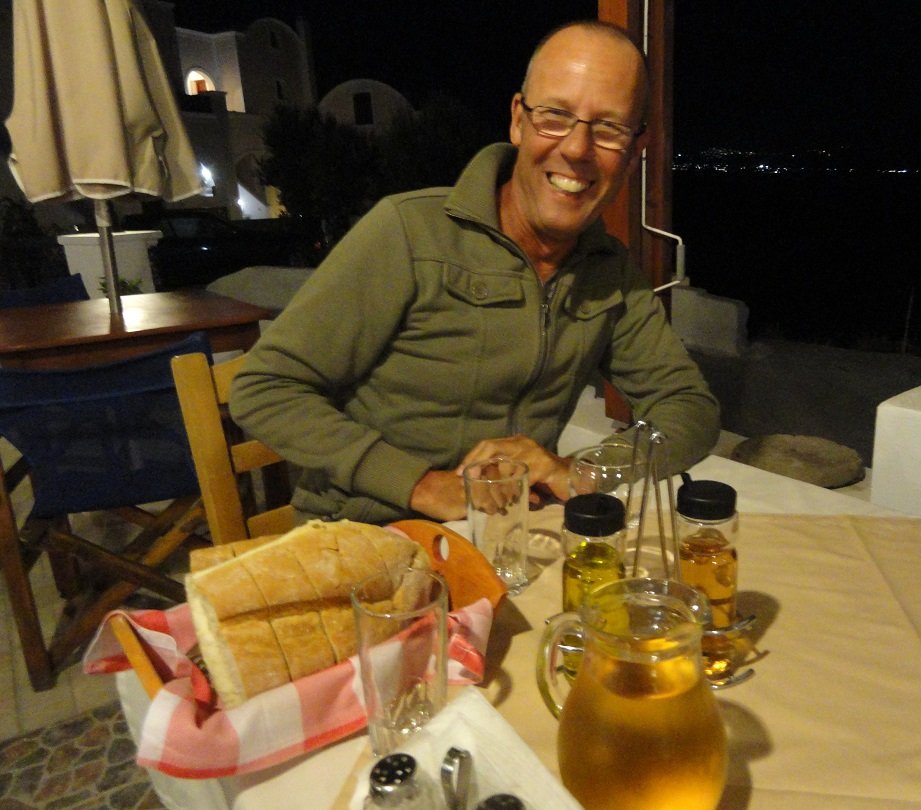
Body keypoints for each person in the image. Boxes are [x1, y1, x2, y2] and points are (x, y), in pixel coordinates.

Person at [230, 20, 720, 524]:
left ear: (635, 152)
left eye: (609, 128)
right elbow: (265, 388)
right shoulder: (409, 232)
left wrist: (586, 472)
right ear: (518, 120)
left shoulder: (609, 270)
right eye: (555, 116)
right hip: (367, 534)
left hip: (510, 535)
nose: (577, 148)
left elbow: (690, 408)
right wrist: (420, 485)